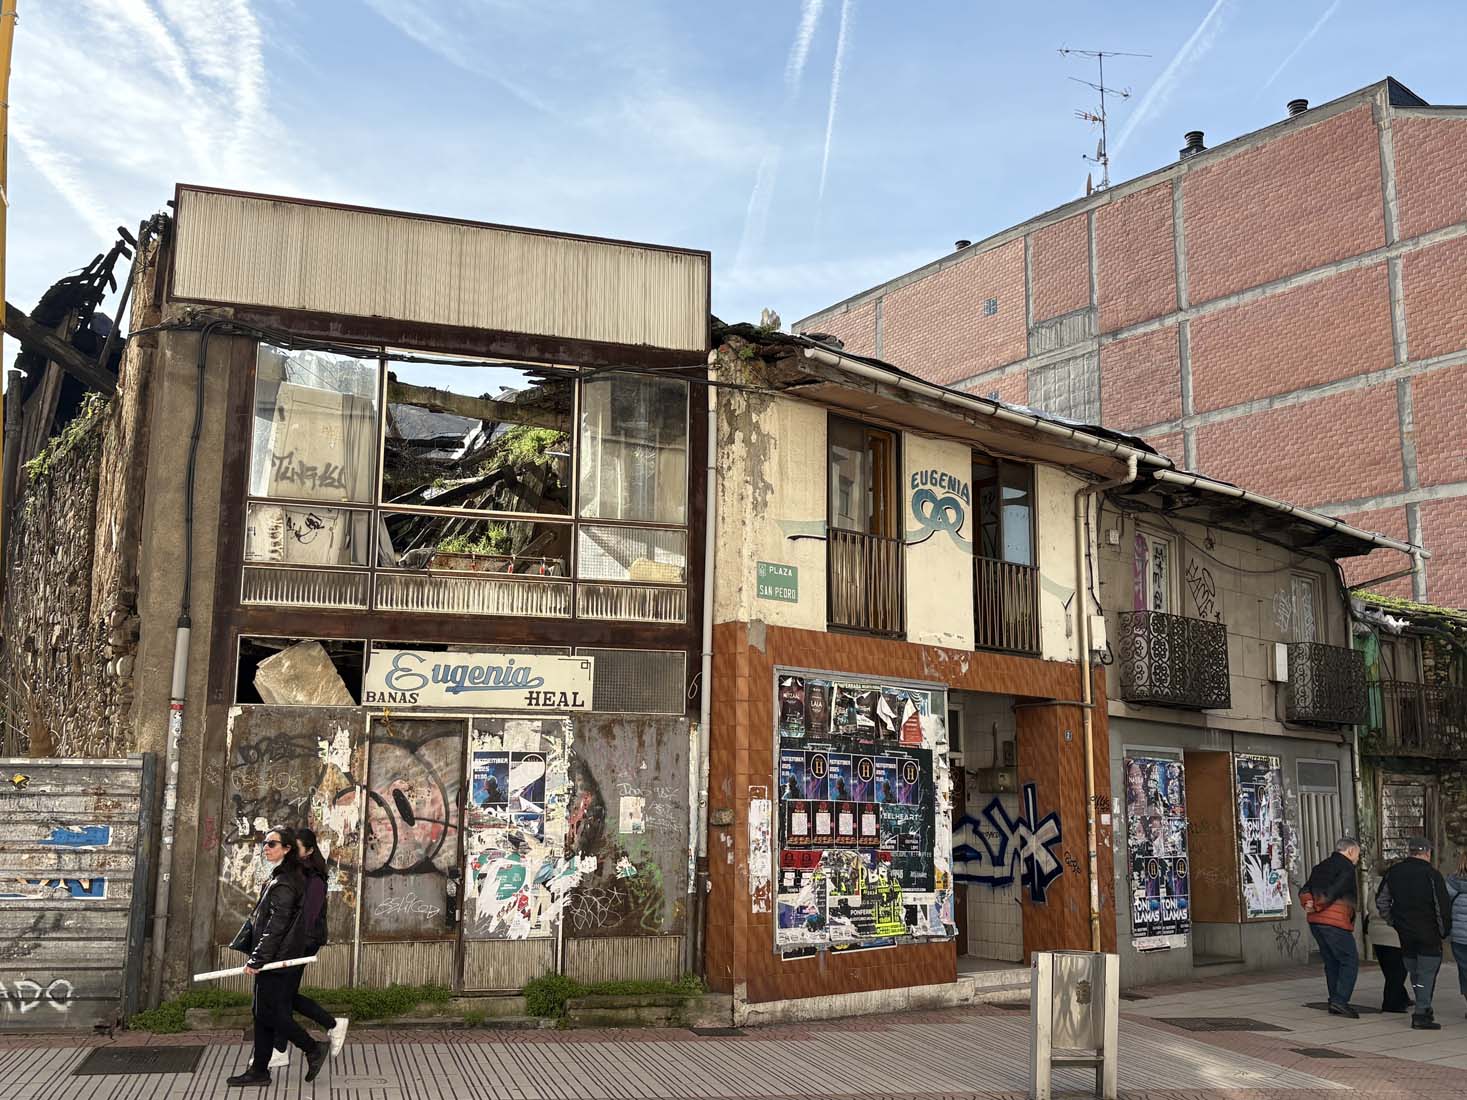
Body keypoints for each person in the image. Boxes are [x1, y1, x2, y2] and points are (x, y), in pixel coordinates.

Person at [226, 826, 329, 1088]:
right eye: (264, 843)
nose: (265, 848)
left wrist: (258, 959)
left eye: (272, 844)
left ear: (287, 849)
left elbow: (276, 926)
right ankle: (260, 1070)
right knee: (262, 1012)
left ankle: (312, 1047)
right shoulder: (281, 876)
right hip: (272, 956)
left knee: (270, 1013)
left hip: (276, 958)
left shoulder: (286, 881)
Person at [267, 829, 349, 1071]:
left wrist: (287, 945)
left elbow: (308, 918)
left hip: (302, 944)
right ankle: (331, 1024)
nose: (291, 851)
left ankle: (282, 1049)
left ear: (310, 850)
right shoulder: (295, 873)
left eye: (297, 848)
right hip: (293, 944)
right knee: (286, 996)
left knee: (282, 996)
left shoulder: (313, 877)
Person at [1377, 836, 1453, 1031]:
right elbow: (1441, 907)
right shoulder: (1432, 875)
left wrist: (1393, 922)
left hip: (1405, 933)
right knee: (1426, 974)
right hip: (1428, 933)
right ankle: (1421, 1013)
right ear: (1428, 852)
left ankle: (1423, 1007)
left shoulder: (1394, 872)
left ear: (1409, 851)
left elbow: (1382, 901)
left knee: (1415, 973)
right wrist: (1443, 931)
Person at [1300, 836, 1361, 1017]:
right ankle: (1340, 1001)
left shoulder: (1321, 866)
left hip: (1316, 922)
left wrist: (1309, 904)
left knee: (1331, 962)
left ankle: (1335, 999)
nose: (1357, 858)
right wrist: (1319, 903)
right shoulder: (1347, 868)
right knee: (1349, 960)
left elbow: (1304, 890)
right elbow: (1333, 891)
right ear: (1350, 851)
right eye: (1357, 854)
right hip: (1335, 922)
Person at [1366, 910, 1413, 1014]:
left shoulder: (1374, 892)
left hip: (1375, 930)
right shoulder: (1396, 893)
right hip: (1393, 933)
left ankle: (1402, 996)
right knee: (1398, 972)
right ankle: (1392, 1004)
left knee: (1389, 970)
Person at [1445, 850, 1467, 1010]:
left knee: (1464, 971)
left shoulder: (1453, 882)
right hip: (1459, 937)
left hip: (1459, 937)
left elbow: (1444, 905)